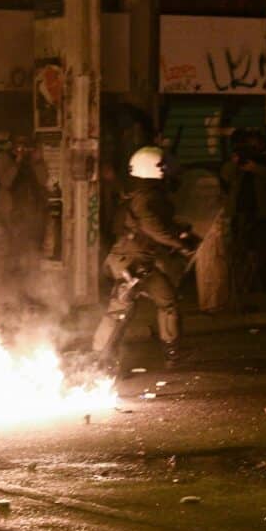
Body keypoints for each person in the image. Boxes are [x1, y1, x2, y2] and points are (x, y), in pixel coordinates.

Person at [93, 146, 198, 371]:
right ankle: (98, 361)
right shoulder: (147, 197)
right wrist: (180, 244)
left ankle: (173, 355)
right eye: (164, 168)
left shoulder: (141, 195)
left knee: (167, 301)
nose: (169, 173)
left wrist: (179, 233)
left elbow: (154, 225)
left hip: (139, 263)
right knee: (120, 311)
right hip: (131, 263)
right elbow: (152, 227)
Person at [220, 128, 266, 296]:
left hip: (261, 211)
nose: (253, 145)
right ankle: (243, 286)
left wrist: (255, 168)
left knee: (262, 249)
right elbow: (226, 176)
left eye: (256, 142)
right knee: (240, 249)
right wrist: (235, 162)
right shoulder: (240, 157)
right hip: (239, 211)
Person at [0, 136, 49, 293]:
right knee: (14, 252)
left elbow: (44, 180)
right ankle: (10, 290)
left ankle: (32, 288)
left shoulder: (32, 160)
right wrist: (17, 162)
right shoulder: (3, 158)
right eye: (19, 145)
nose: (22, 148)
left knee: (34, 252)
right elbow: (6, 181)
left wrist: (38, 161)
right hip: (13, 214)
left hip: (34, 214)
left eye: (25, 145)